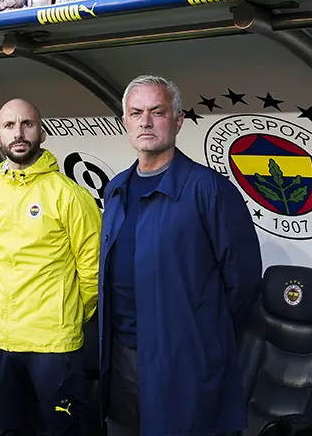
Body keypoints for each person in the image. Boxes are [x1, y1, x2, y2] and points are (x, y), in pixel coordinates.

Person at [99, 75, 263, 436]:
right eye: (136, 113)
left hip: (182, 361)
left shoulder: (210, 190)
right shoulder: (115, 189)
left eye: (157, 112)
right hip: (121, 357)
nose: (145, 122)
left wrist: (201, 335)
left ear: (177, 121)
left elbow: (244, 281)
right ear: (125, 122)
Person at [0, 99, 101, 436]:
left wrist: (65, 315)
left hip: (53, 344)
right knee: (11, 429)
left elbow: (92, 272)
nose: (18, 133)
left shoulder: (70, 195)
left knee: (66, 430)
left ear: (42, 133)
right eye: (9, 126)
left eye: (27, 124)